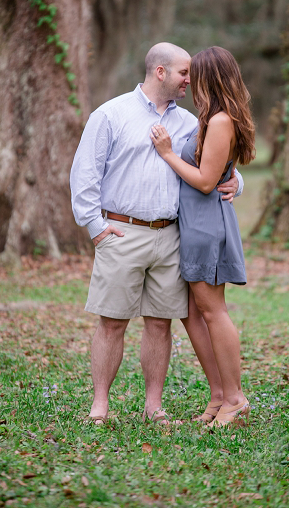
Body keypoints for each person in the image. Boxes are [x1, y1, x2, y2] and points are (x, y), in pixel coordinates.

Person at [70, 42, 243, 426]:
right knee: (112, 321)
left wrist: (238, 183)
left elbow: (214, 162)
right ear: (160, 72)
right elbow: (84, 175)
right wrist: (97, 228)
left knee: (159, 322)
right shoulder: (111, 114)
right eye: (184, 72)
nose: (190, 80)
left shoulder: (190, 122)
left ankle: (154, 407)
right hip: (122, 231)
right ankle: (100, 406)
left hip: (172, 237)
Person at [149, 46, 256, 428]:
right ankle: (218, 395)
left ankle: (235, 399)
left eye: (196, 73)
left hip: (207, 224)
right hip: (194, 224)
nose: (189, 80)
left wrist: (167, 154)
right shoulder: (212, 118)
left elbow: (207, 181)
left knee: (213, 311)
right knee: (195, 312)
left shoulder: (221, 120)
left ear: (211, 78)